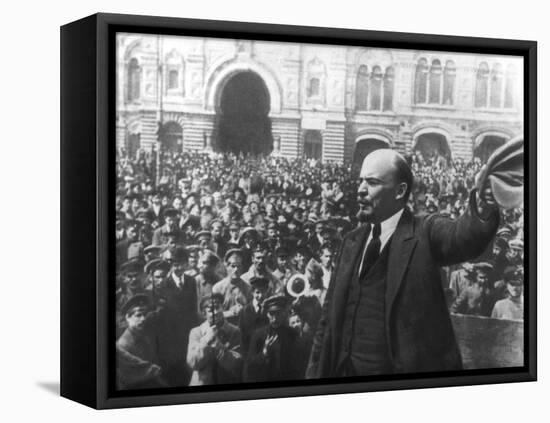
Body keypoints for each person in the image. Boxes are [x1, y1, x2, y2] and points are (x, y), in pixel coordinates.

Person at [306, 149, 499, 379]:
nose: (360, 190)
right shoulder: (351, 241)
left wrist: (483, 203)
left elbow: (463, 236)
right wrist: (314, 373)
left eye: (372, 182)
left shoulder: (425, 232)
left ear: (400, 191)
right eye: (361, 181)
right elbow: (328, 317)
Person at [155, 246, 199, 387]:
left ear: (186, 264)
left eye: (181, 264)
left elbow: (193, 308)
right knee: (174, 372)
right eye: (175, 264)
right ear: (171, 265)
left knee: (188, 370)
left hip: (188, 333)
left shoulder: (191, 281)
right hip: (171, 336)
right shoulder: (165, 284)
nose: (178, 267)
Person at [187, 294, 243, 386]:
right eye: (211, 310)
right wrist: (205, 341)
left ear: (223, 308)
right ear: (204, 314)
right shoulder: (196, 332)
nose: (216, 312)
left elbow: (237, 364)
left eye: (218, 308)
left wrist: (219, 346)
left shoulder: (234, 331)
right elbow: (193, 363)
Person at [244, 294, 302, 382]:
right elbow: (249, 367)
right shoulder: (258, 335)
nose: (274, 318)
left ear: (284, 313)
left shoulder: (292, 334)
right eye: (271, 313)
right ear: (267, 314)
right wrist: (264, 352)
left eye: (278, 313)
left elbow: (298, 365)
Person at [116, 294, 166, 389]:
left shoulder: (147, 334)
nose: (143, 319)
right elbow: (127, 379)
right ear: (128, 317)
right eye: (138, 315)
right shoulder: (123, 345)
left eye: (144, 315)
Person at [212, 249, 252, 325]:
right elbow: (214, 314)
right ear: (227, 266)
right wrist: (231, 313)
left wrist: (242, 311)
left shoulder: (248, 288)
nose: (236, 269)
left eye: (239, 266)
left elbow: (251, 313)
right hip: (223, 327)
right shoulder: (218, 288)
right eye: (233, 266)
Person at [239, 276, 270, 355]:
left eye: (263, 292)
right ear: (252, 292)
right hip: (249, 353)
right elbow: (242, 336)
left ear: (267, 291)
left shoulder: (270, 310)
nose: (260, 295)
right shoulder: (244, 311)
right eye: (257, 292)